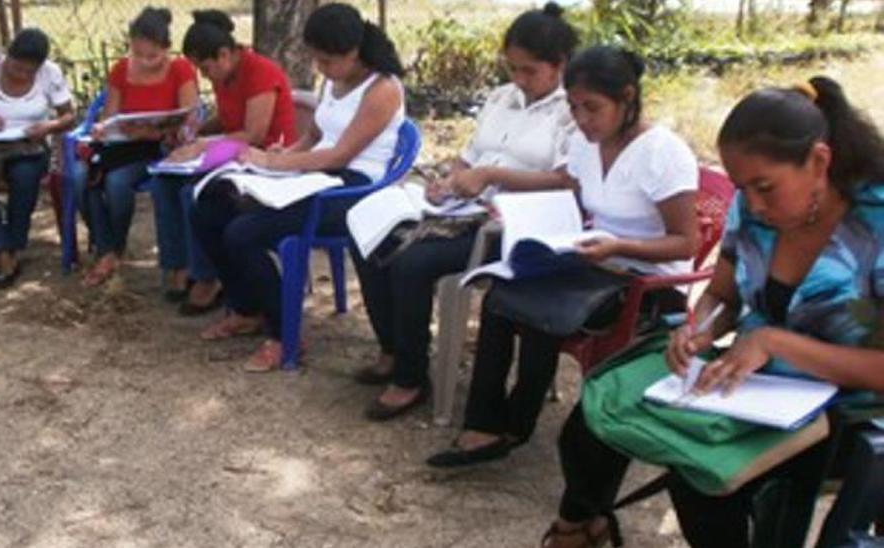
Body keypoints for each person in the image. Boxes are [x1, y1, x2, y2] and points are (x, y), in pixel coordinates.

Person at [541, 77, 884, 548]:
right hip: (751, 387)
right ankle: (582, 523)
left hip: (845, 414)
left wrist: (775, 343)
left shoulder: (876, 225)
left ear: (820, 161)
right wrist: (698, 328)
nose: (754, 205)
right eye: (744, 189)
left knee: (701, 482)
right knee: (594, 421)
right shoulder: (751, 205)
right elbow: (721, 294)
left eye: (765, 187)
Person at [428, 46, 699, 467]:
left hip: (643, 281)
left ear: (628, 98)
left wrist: (619, 247)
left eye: (593, 108)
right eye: (574, 107)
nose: (583, 120)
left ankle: (516, 424)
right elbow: (565, 188)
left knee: (543, 306)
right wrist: (516, 207)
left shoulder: (662, 153)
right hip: (592, 261)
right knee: (503, 292)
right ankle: (482, 423)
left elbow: (686, 243)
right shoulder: (584, 143)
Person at [351, 3, 578, 421]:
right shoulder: (501, 97)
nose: (519, 80)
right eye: (513, 68)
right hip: (465, 207)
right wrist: (450, 181)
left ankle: (411, 377)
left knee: (412, 263)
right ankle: (394, 348)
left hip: (513, 227)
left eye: (530, 71)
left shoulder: (573, 109)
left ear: (559, 65)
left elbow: (567, 182)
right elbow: (469, 156)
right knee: (370, 233)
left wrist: (492, 174)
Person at [192, 2, 405, 371]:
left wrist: (276, 163)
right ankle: (246, 309)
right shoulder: (335, 79)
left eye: (326, 60)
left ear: (353, 52)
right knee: (210, 206)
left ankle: (284, 334)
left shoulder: (382, 89)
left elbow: (340, 154)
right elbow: (316, 134)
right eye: (317, 59)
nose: (320, 68)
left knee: (244, 233)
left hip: (353, 190)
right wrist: (286, 153)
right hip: (316, 175)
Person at [150, 9, 296, 314]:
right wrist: (195, 132)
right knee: (163, 182)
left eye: (204, 68)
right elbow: (229, 118)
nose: (204, 76)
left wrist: (205, 145)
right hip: (234, 153)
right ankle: (179, 266)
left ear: (224, 54)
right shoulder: (225, 73)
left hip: (265, 159)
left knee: (195, 194)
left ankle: (208, 278)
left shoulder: (260, 72)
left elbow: (255, 133)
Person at [78, 7, 197, 288]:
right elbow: (110, 117)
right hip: (124, 146)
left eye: (153, 56)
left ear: (167, 48)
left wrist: (155, 131)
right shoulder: (121, 70)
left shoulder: (180, 70)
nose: (145, 62)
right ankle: (107, 251)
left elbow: (189, 119)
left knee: (117, 183)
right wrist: (105, 127)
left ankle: (112, 249)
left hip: (159, 149)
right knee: (82, 177)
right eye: (138, 54)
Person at [0, 27, 75, 288]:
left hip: (29, 145)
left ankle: (7, 251)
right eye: (16, 67)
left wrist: (47, 127)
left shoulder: (50, 73)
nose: (21, 74)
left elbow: (69, 116)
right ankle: (3, 253)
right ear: (6, 56)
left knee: (25, 176)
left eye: (29, 71)